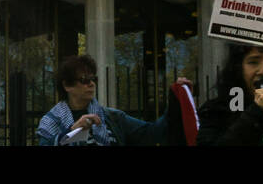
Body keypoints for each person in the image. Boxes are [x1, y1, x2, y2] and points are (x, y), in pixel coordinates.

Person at [37, 54, 192, 146]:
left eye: (93, 78)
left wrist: (176, 100)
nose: (91, 83)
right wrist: (72, 131)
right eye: (84, 79)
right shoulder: (51, 122)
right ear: (67, 85)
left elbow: (151, 133)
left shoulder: (112, 117)